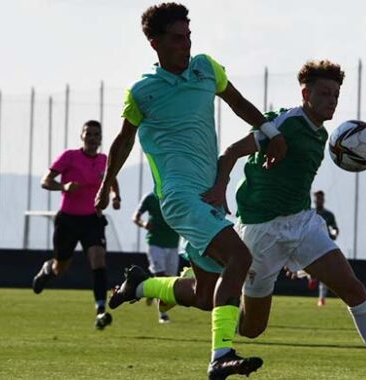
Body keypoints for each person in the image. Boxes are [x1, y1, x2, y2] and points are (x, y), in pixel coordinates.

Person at [94, 3, 286, 379]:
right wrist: (107, 181)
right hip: (180, 199)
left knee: (203, 294)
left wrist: (271, 131)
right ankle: (221, 355)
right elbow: (123, 140)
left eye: (188, 37)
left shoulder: (205, 68)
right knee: (240, 258)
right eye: (177, 38)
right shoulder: (142, 92)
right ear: (155, 43)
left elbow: (237, 102)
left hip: (209, 198)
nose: (186, 44)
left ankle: (140, 285)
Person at [201, 60, 366, 380]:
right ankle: (193, 292)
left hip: (302, 224)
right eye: (324, 93)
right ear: (305, 93)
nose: (332, 100)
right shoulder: (284, 123)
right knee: (252, 329)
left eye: (336, 94)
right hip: (260, 230)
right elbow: (230, 152)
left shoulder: (323, 136)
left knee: (353, 288)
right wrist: (220, 186)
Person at [31, 120, 121, 330]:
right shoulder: (69, 157)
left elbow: (112, 180)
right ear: (82, 136)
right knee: (61, 267)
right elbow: (45, 180)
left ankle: (100, 310)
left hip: (93, 219)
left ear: (100, 139)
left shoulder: (104, 160)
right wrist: (63, 186)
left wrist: (116, 196)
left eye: (96, 134)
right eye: (88, 133)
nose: (92, 138)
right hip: (68, 220)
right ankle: (48, 270)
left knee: (98, 260)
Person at [133, 192, 181, 323]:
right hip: (154, 242)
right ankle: (163, 314)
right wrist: (143, 224)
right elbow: (135, 217)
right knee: (161, 277)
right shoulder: (150, 198)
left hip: (173, 243)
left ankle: (151, 290)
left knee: (170, 280)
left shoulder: (178, 196)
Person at [311, 190, 338, 306]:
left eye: (320, 198)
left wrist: (335, 232)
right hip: (310, 244)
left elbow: (334, 228)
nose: (319, 200)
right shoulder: (309, 213)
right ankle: (310, 276)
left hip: (324, 245)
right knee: (310, 268)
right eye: (317, 198)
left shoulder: (329, 215)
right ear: (314, 199)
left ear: (323, 199)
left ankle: (321, 298)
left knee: (324, 272)